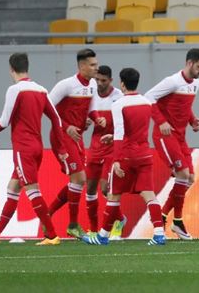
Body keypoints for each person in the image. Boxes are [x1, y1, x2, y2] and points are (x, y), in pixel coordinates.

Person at [0, 52, 64, 246]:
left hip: (23, 148)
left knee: (33, 191)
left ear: (11, 69)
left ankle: (51, 235)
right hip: (37, 148)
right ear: (27, 67)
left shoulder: (14, 90)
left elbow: (3, 121)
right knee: (13, 189)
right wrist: (61, 147)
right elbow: (57, 119)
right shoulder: (41, 90)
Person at [82, 68, 166, 246]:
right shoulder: (146, 102)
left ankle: (103, 236)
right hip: (144, 154)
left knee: (114, 195)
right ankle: (159, 233)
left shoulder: (119, 104)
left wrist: (117, 160)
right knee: (149, 195)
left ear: (121, 83)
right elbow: (136, 130)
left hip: (126, 156)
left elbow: (120, 133)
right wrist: (113, 137)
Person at [145, 48, 199, 240]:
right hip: (165, 136)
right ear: (189, 63)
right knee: (183, 174)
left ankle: (164, 215)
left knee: (189, 178)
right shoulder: (172, 81)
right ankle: (177, 221)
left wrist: (193, 120)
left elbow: (185, 107)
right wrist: (161, 121)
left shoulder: (196, 83)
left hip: (180, 137)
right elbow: (148, 98)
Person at [48, 48, 104, 239]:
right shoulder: (66, 85)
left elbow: (92, 108)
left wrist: (96, 119)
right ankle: (72, 225)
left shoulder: (93, 85)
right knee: (79, 179)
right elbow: (46, 108)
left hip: (77, 137)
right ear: (82, 66)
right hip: (61, 137)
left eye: (96, 64)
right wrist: (66, 126)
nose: (96, 68)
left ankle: (47, 214)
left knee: (78, 181)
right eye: (93, 65)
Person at [84, 65, 126, 238]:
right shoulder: (90, 95)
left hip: (112, 148)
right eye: (97, 80)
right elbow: (85, 118)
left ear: (111, 81)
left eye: (104, 80)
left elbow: (125, 123)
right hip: (95, 147)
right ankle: (94, 230)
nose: (100, 84)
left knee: (105, 189)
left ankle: (118, 221)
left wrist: (113, 134)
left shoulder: (119, 97)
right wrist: (84, 123)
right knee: (90, 189)